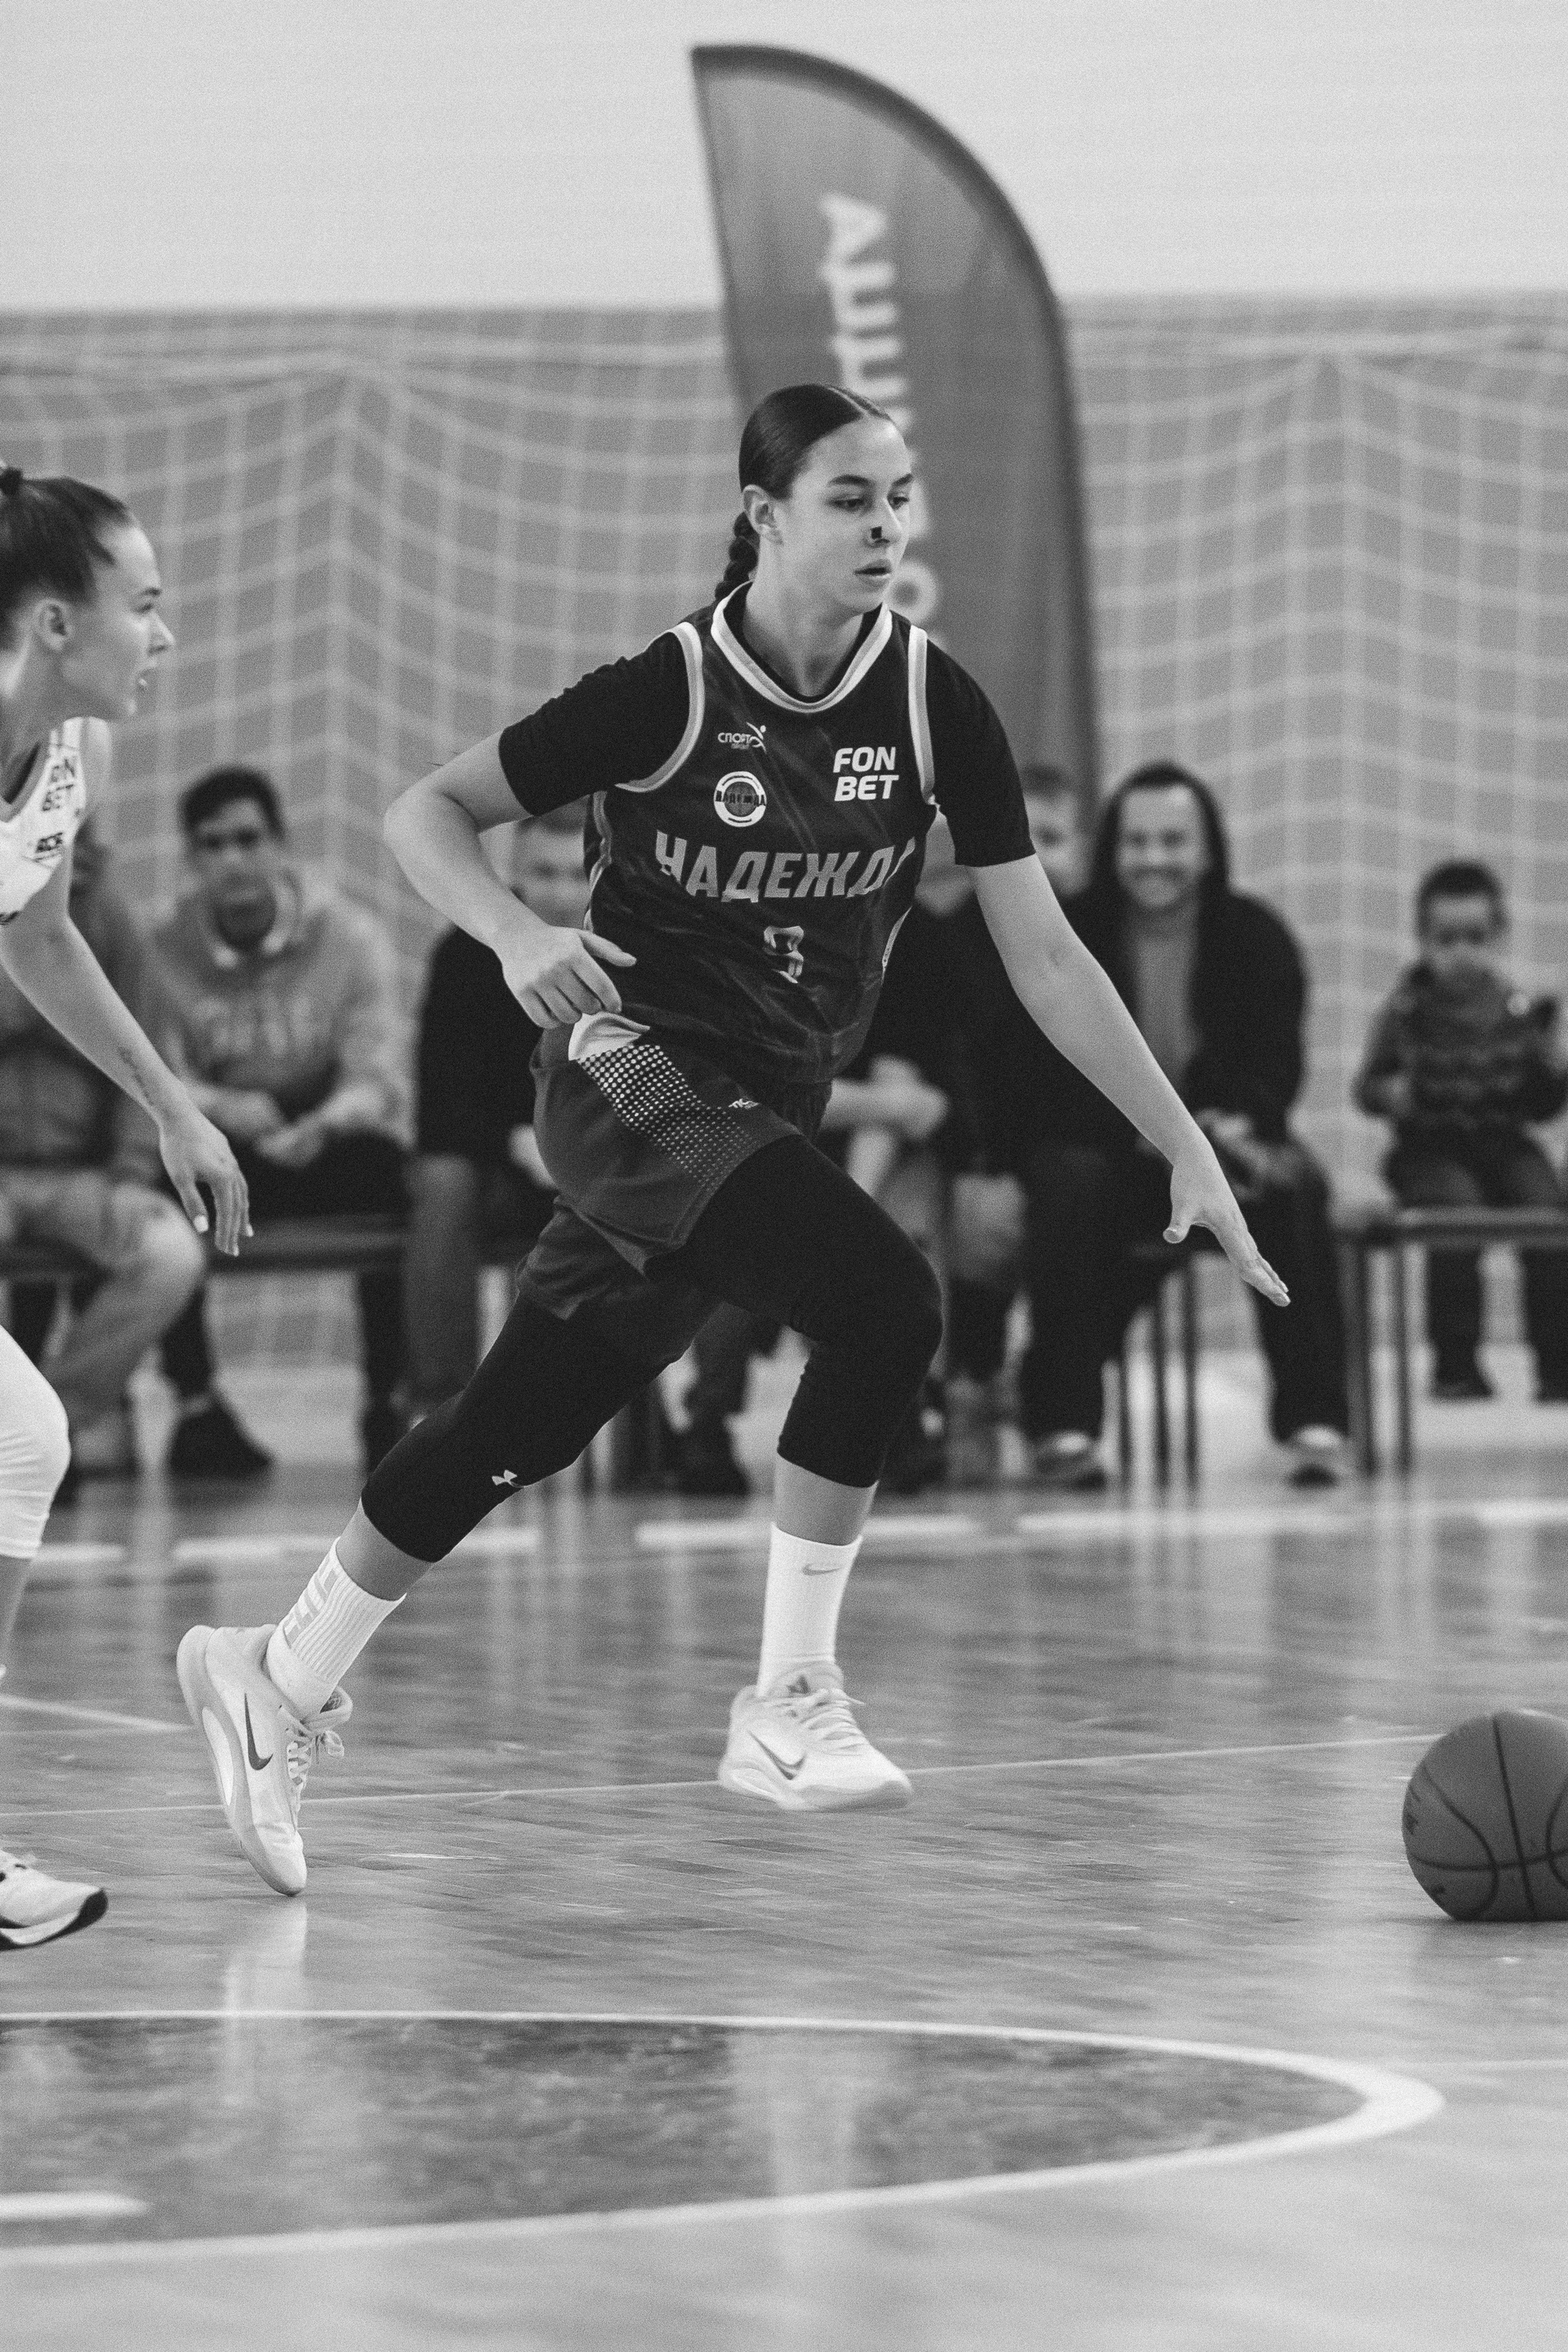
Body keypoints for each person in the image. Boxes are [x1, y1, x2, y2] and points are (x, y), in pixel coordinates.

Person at [175, 383, 1282, 1899]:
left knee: (519, 1425)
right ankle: (787, 1698)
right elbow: (425, 811)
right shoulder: (671, 689)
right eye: (850, 498)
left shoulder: (934, 704)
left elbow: (1046, 956)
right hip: (628, 1070)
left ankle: (277, 1670)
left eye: (900, 498)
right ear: (764, 514)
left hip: (762, 1108)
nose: (887, 527)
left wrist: (1183, 1143)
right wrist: (512, 932)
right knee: (887, 1304)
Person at [0, 462, 247, 1944]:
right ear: (52, 623)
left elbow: (36, 937)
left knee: (23, 1436)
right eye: (142, 606)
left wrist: (172, 1106)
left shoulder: (58, 759)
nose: (164, 635)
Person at [992, 760, 1350, 1490]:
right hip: (1106, 1152)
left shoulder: (1257, 936)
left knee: (1297, 1184)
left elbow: (1277, 1066)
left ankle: (1315, 1423)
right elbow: (1038, 1074)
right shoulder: (1071, 930)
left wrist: (1223, 1121)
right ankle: (1063, 1426)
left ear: (1208, 850)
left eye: (1173, 841)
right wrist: (1147, 1133)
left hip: (1222, 1147)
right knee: (1069, 1186)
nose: (1154, 859)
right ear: (1112, 849)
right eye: (1138, 842)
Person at [149, 766, 410, 1475]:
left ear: (280, 845)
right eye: (212, 845)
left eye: (248, 839)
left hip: (325, 1133)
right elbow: (157, 1079)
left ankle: (386, 1399)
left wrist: (323, 1123)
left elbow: (378, 1079)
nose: (232, 860)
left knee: (400, 1180)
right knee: (156, 1189)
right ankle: (198, 1407)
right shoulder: (161, 950)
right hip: (220, 1143)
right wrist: (225, 1111)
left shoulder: (351, 937)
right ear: (191, 858)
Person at [0, 815, 206, 1482]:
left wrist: (131, 1170)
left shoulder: (103, 911)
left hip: (83, 1173)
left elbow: (144, 1055)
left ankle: (52, 1422)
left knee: (171, 1254)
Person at [1355, 858, 1568, 1401]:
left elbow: (1542, 1107)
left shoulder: (1520, 1013)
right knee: (1455, 1217)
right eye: (1446, 939)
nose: (1462, 952)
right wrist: (1391, 1093)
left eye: (1476, 937)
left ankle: (1558, 1365)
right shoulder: (1405, 1013)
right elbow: (1368, 1087)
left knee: (1548, 1213)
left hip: (1505, 1145)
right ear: (1422, 941)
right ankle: (1455, 1366)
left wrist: (1554, 1068)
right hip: (1429, 1150)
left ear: (1499, 937)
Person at [403, 809, 584, 1418]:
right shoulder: (465, 954)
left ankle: (666, 1419)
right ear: (513, 874)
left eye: (578, 874)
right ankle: (442, 1412)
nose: (561, 893)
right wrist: (520, 1140)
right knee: (441, 1181)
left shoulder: (636, 947)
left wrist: (577, 1145)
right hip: (506, 1169)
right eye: (544, 873)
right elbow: (440, 1107)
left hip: (605, 1162)